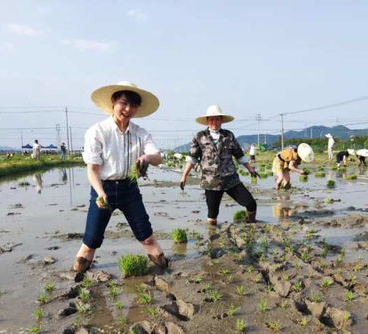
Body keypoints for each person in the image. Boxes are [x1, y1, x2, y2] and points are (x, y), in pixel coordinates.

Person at [72, 81, 168, 273]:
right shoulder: (97, 131)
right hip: (103, 189)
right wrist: (100, 193)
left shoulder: (140, 133)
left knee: (147, 237)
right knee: (90, 242)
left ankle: (166, 270)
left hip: (129, 189)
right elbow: (93, 169)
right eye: (124, 103)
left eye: (133, 105)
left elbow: (157, 158)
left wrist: (147, 157)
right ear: (113, 102)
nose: (128, 109)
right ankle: (77, 280)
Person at [179, 105, 259, 225]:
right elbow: (193, 158)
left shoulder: (229, 135)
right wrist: (184, 176)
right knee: (212, 215)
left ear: (221, 120)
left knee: (251, 203)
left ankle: (251, 222)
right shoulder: (199, 136)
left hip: (230, 179)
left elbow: (239, 155)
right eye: (211, 119)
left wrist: (250, 169)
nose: (214, 122)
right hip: (211, 180)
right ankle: (212, 236)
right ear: (207, 121)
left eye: (217, 119)